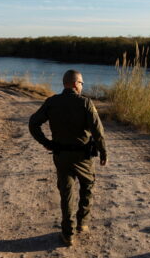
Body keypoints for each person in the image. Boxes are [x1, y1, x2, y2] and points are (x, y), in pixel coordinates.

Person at [29, 69, 107, 247]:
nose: (82, 86)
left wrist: (47, 142)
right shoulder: (86, 103)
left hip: (61, 156)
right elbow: (98, 132)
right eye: (81, 83)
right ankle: (82, 222)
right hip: (83, 158)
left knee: (66, 194)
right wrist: (104, 152)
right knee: (88, 186)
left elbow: (33, 123)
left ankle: (68, 233)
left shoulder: (51, 102)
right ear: (74, 84)